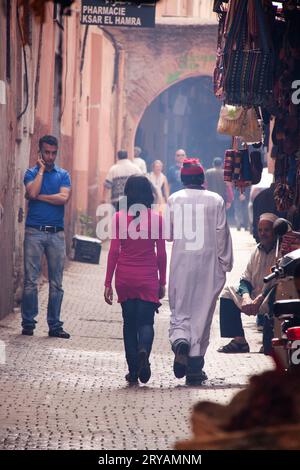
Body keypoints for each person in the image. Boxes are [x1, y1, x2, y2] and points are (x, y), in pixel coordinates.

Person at [167, 158, 233, 386]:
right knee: (202, 313)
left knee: (181, 308)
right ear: (202, 179)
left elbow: (168, 233)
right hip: (208, 264)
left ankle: (180, 341)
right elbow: (222, 233)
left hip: (182, 263)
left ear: (183, 179)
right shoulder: (215, 200)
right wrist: (225, 263)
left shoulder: (174, 199)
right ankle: (195, 368)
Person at [104, 175, 167, 385]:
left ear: (127, 194)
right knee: (146, 322)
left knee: (129, 324)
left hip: (125, 278)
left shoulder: (119, 218)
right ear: (149, 194)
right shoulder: (157, 219)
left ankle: (133, 372)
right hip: (147, 277)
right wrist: (162, 282)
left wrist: (107, 283)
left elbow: (113, 251)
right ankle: (144, 354)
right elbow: (161, 254)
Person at [21, 135, 71, 338]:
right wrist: (41, 170)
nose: (50, 157)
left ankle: (54, 325)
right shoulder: (31, 173)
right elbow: (31, 192)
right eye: (47, 153)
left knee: (56, 283)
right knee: (31, 281)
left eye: (53, 153)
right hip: (34, 232)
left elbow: (63, 198)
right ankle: (28, 323)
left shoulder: (63, 175)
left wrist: (40, 197)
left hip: (56, 234)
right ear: (40, 152)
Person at [217, 213, 278, 354]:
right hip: (254, 298)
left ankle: (273, 339)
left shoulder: (280, 252)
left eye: (267, 230)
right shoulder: (256, 250)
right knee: (227, 292)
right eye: (260, 230)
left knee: (279, 295)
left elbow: (278, 283)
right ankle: (239, 341)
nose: (263, 233)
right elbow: (246, 279)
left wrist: (260, 299)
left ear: (274, 232)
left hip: (269, 298)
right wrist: (246, 297)